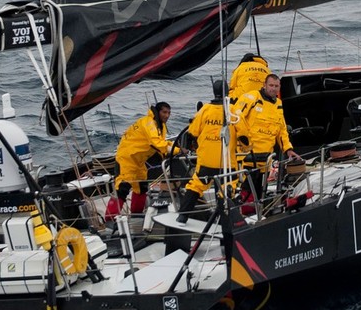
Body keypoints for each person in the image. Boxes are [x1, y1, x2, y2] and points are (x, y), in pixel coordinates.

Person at [233, 74, 302, 202]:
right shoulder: (252, 97)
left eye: (276, 86)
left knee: (260, 190)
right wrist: (243, 138)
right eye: (271, 85)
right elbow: (235, 116)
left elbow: (282, 130)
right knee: (247, 189)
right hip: (247, 155)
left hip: (266, 158)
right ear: (264, 85)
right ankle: (245, 210)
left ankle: (257, 210)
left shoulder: (278, 105)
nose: (273, 89)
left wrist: (288, 149)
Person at [177, 80, 237, 223]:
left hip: (206, 162)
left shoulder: (204, 110)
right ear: (227, 91)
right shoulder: (233, 110)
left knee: (196, 185)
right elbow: (245, 135)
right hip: (226, 162)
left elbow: (193, 131)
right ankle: (224, 222)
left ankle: (182, 216)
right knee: (226, 189)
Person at [114, 101, 174, 214]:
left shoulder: (160, 125)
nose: (167, 115)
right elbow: (156, 143)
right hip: (127, 158)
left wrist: (173, 146)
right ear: (157, 111)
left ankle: (136, 215)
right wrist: (176, 150)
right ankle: (110, 220)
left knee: (141, 187)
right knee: (122, 188)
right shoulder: (149, 123)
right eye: (164, 112)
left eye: (169, 113)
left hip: (139, 161)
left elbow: (161, 141)